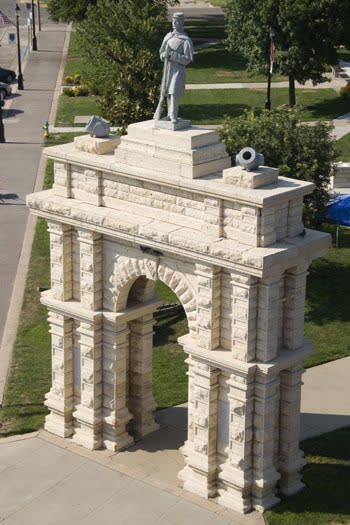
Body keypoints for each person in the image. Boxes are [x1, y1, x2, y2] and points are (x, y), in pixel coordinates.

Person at [154, 12, 194, 123]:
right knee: (166, 92)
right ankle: (169, 114)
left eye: (176, 21)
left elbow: (187, 59)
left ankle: (173, 116)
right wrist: (164, 55)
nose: (174, 23)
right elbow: (161, 53)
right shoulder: (168, 36)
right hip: (168, 69)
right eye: (173, 20)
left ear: (181, 23)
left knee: (174, 91)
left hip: (178, 70)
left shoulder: (185, 40)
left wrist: (172, 55)